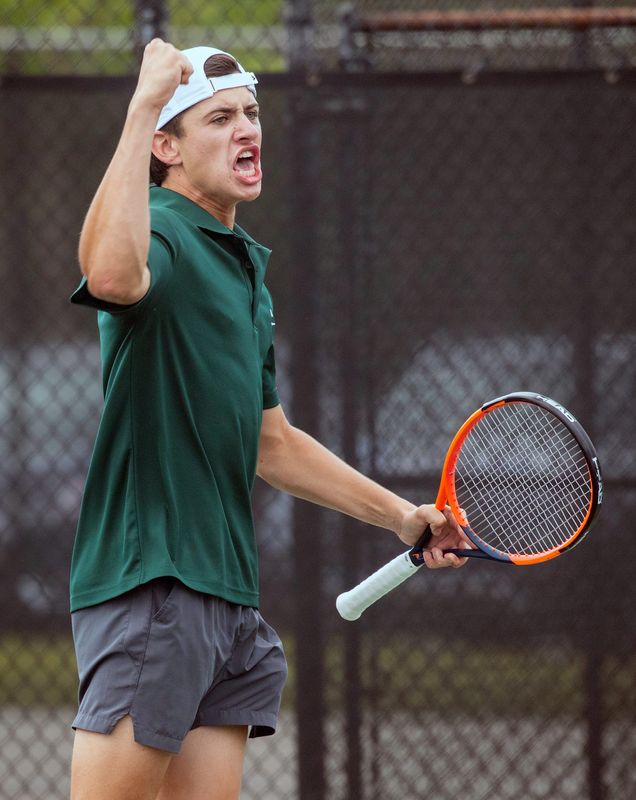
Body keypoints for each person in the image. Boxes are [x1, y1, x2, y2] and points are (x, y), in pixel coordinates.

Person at [69, 39, 470, 800]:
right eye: (218, 118)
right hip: (156, 582)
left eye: (251, 113)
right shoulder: (161, 229)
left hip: (225, 598)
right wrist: (140, 107)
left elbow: (271, 442)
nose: (247, 129)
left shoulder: (243, 264)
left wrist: (402, 519)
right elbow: (112, 275)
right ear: (169, 149)